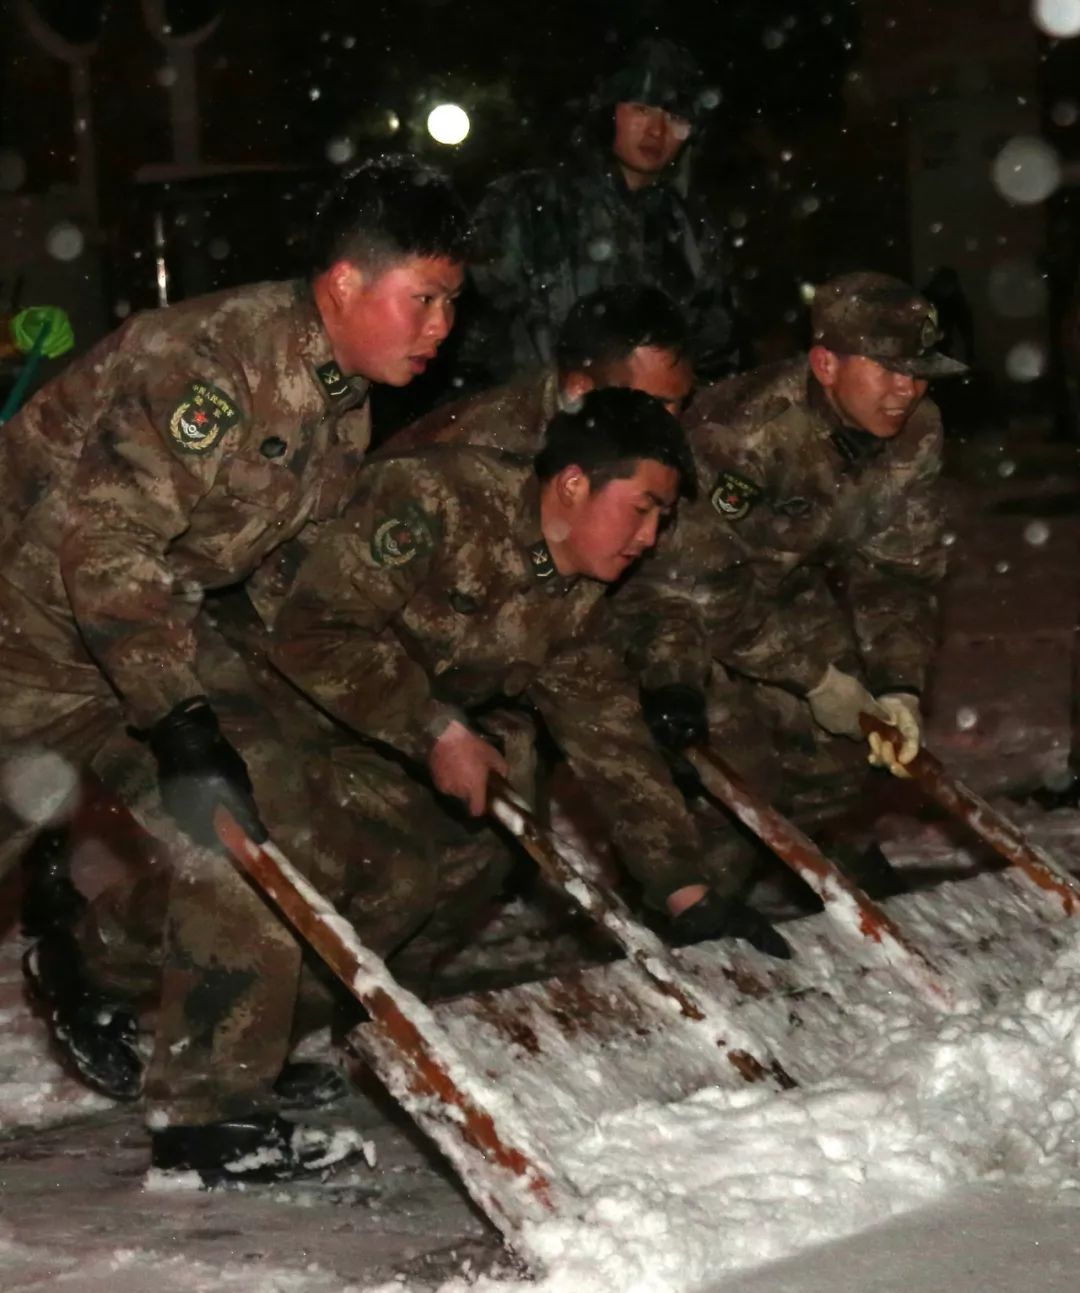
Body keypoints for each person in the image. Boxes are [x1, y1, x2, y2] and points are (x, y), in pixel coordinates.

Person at [3, 153, 470, 1183]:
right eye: (426, 300)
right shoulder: (215, 365)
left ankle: (209, 1107)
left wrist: (416, 700)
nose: (442, 328)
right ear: (346, 284)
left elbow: (288, 584)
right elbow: (105, 546)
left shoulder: (343, 402)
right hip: (22, 643)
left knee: (266, 816)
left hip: (137, 642)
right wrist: (180, 724)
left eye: (451, 303)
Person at [270, 388, 791, 993]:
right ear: (572, 484)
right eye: (641, 509)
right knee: (341, 872)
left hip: (382, 721)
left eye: (662, 519)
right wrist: (437, 728)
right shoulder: (439, 500)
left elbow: (612, 743)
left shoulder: (577, 597)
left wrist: (687, 892)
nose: (649, 538)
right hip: (272, 692)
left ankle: (372, 1004)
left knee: (478, 852)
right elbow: (312, 631)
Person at [620, 271, 967, 896]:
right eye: (887, 369)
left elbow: (900, 569)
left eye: (917, 372)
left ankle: (827, 864)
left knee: (843, 751)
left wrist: (899, 682)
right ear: (826, 363)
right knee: (731, 776)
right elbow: (694, 580)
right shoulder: (744, 432)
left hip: (777, 586)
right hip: (672, 602)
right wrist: (812, 676)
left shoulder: (917, 429)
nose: (905, 390)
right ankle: (695, 912)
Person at [464, 37, 736, 385]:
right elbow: (467, 332)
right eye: (641, 108)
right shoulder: (526, 204)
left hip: (644, 430)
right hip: (524, 424)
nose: (657, 129)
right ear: (609, 110)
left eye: (676, 116)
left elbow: (715, 355)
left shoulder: (692, 233)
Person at [385, 283, 693, 457]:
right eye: (656, 403)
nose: (673, 419)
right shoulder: (479, 451)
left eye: (681, 400)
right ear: (580, 391)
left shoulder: (680, 433)